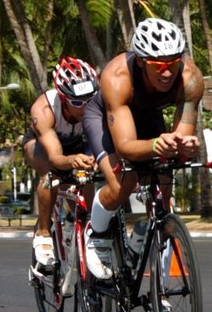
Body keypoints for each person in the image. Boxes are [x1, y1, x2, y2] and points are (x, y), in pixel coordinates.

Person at [82, 17, 204, 281]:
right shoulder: (117, 77)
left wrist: (183, 145)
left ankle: (160, 291)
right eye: (158, 64)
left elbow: (179, 141)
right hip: (105, 118)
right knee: (122, 183)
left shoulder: (191, 79)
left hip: (147, 115)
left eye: (173, 62)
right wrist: (156, 144)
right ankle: (97, 234)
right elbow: (125, 147)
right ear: (140, 61)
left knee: (164, 185)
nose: (167, 71)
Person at [22, 57, 98, 272]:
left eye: (88, 101)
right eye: (76, 103)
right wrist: (71, 161)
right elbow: (56, 157)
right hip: (43, 146)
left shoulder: (98, 103)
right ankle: (44, 233)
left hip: (76, 143)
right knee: (51, 177)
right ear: (64, 99)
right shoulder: (44, 109)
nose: (84, 108)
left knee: (88, 176)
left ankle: (86, 223)